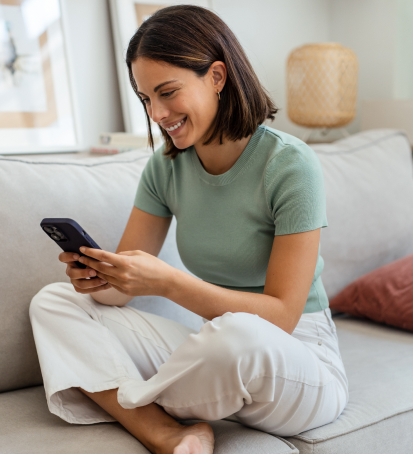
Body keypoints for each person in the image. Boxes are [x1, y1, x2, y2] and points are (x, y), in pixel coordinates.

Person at [29, 5, 349, 454]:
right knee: (54, 301)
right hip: (212, 359)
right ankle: (168, 431)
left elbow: (281, 317)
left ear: (216, 77)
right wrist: (98, 279)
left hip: (291, 360)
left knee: (241, 333)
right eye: (145, 99)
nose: (157, 113)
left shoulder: (290, 165)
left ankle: (130, 401)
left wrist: (171, 284)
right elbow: (120, 293)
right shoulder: (165, 169)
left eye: (167, 92)